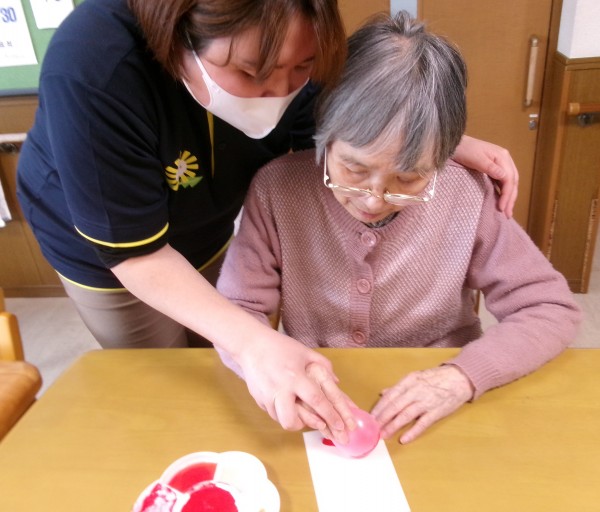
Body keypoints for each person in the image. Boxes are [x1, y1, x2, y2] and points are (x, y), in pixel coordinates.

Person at [17, 0, 518, 441]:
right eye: (252, 72)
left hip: (208, 218)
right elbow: (137, 255)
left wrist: (429, 140)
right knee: (164, 380)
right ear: (184, 32)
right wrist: (251, 341)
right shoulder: (96, 65)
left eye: (302, 67)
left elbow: (337, 112)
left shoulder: (458, 194)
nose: (281, 92)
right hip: (116, 250)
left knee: (225, 357)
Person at [216, 11, 582, 444]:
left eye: (408, 179)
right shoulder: (276, 189)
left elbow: (549, 308)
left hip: (440, 404)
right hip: (323, 400)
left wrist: (462, 377)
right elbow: (237, 311)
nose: (374, 200)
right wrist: (268, 365)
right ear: (324, 133)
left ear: (445, 155)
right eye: (354, 169)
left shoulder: (467, 194)